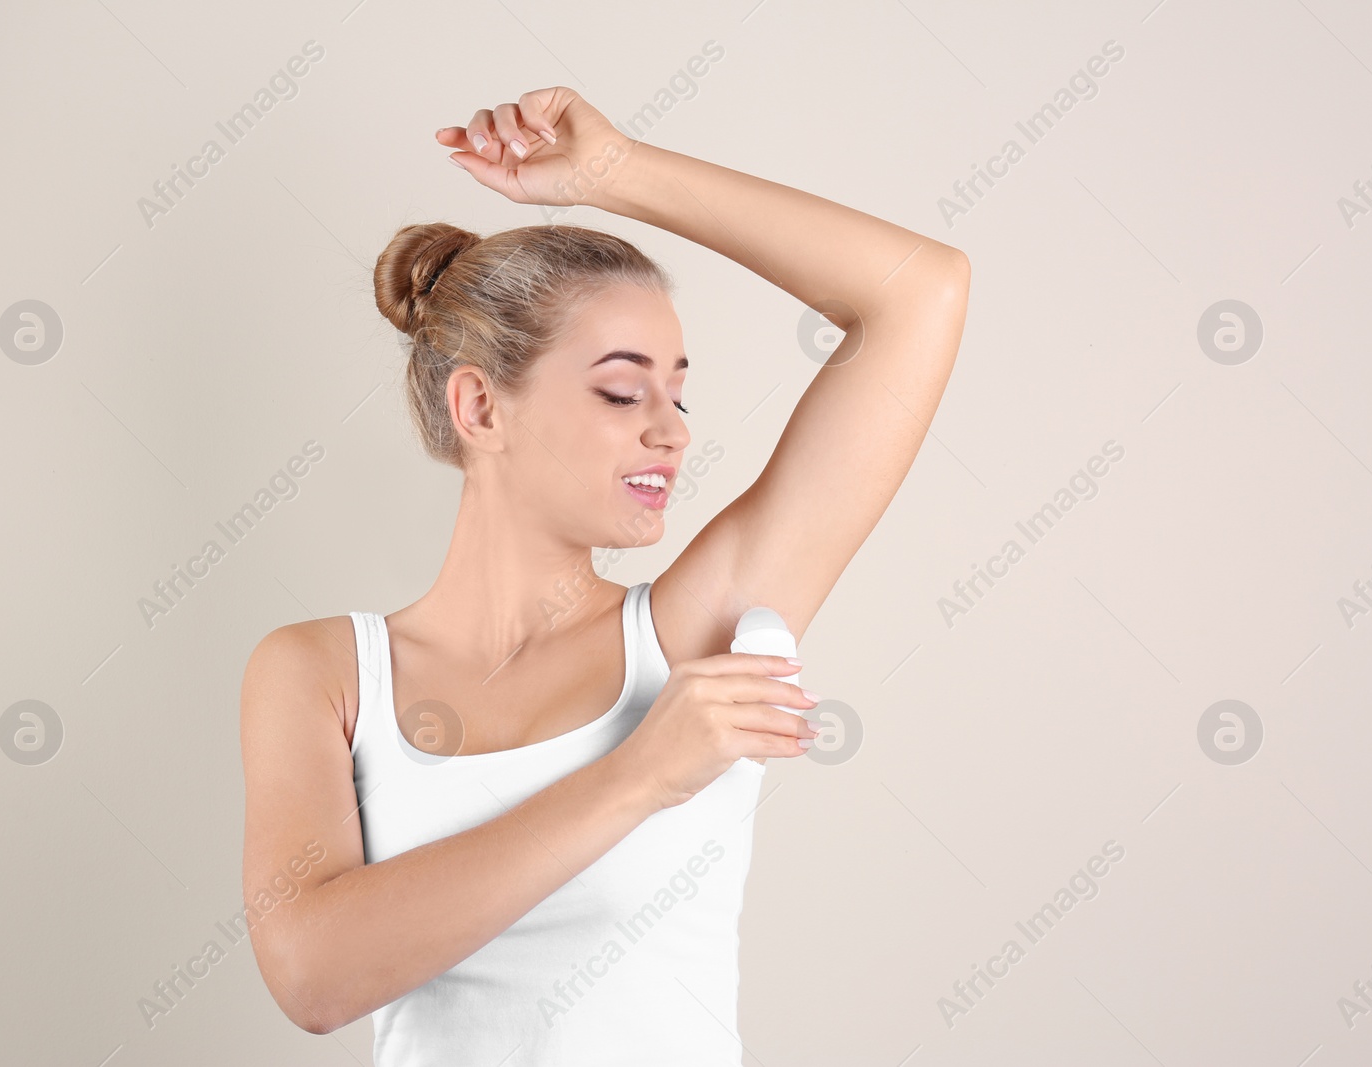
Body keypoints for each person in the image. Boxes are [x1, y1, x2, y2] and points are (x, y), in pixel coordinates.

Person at [239, 86, 970, 1058]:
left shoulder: (689, 632)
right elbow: (313, 973)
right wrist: (639, 774)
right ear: (480, 407)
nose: (671, 430)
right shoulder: (322, 672)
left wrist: (612, 175)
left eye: (676, 390)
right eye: (623, 389)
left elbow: (920, 292)